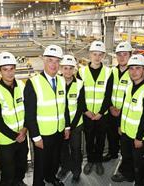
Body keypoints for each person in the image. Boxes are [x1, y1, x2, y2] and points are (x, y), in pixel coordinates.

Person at [24, 45, 70, 186]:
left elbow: (64, 106)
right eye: (50, 60)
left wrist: (67, 126)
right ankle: (38, 183)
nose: (54, 65)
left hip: (58, 130)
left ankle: (51, 178)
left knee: (55, 159)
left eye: (57, 61)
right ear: (44, 61)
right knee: (41, 163)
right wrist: (36, 137)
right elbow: (29, 114)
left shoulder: (61, 80)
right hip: (42, 134)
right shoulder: (33, 83)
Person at [0, 52, 28, 186]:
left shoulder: (22, 86)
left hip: (22, 135)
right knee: (8, 171)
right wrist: (15, 135)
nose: (9, 73)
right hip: (7, 141)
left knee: (22, 165)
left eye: (12, 69)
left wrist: (25, 129)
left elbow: (28, 110)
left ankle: (19, 182)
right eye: (5, 69)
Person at [111, 54, 144, 186]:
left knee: (139, 163)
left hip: (138, 137)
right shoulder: (129, 87)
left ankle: (139, 183)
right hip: (126, 132)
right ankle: (128, 176)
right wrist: (121, 126)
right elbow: (124, 109)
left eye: (138, 68)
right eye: (131, 68)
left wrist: (140, 137)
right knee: (126, 157)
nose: (134, 72)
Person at [78, 41, 112, 176]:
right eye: (94, 54)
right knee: (89, 139)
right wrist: (85, 111)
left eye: (100, 55)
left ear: (103, 56)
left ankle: (98, 161)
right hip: (87, 115)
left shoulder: (108, 72)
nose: (97, 57)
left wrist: (101, 112)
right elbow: (80, 95)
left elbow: (108, 95)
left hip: (102, 116)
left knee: (100, 139)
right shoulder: (81, 72)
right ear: (89, 55)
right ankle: (90, 161)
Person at [57, 55, 86, 183]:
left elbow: (81, 107)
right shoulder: (56, 83)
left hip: (76, 125)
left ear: (74, 69)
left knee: (75, 149)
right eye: (65, 68)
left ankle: (76, 171)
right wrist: (65, 126)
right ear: (61, 69)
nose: (68, 71)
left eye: (70, 68)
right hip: (60, 124)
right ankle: (65, 167)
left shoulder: (79, 84)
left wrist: (71, 127)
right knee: (63, 149)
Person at [103, 41, 132, 162]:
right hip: (111, 112)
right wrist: (110, 107)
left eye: (125, 54)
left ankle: (124, 162)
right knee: (111, 136)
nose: (121, 57)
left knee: (125, 140)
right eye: (119, 54)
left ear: (130, 55)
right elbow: (107, 92)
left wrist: (121, 111)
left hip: (126, 114)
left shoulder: (133, 73)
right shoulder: (112, 72)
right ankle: (112, 153)